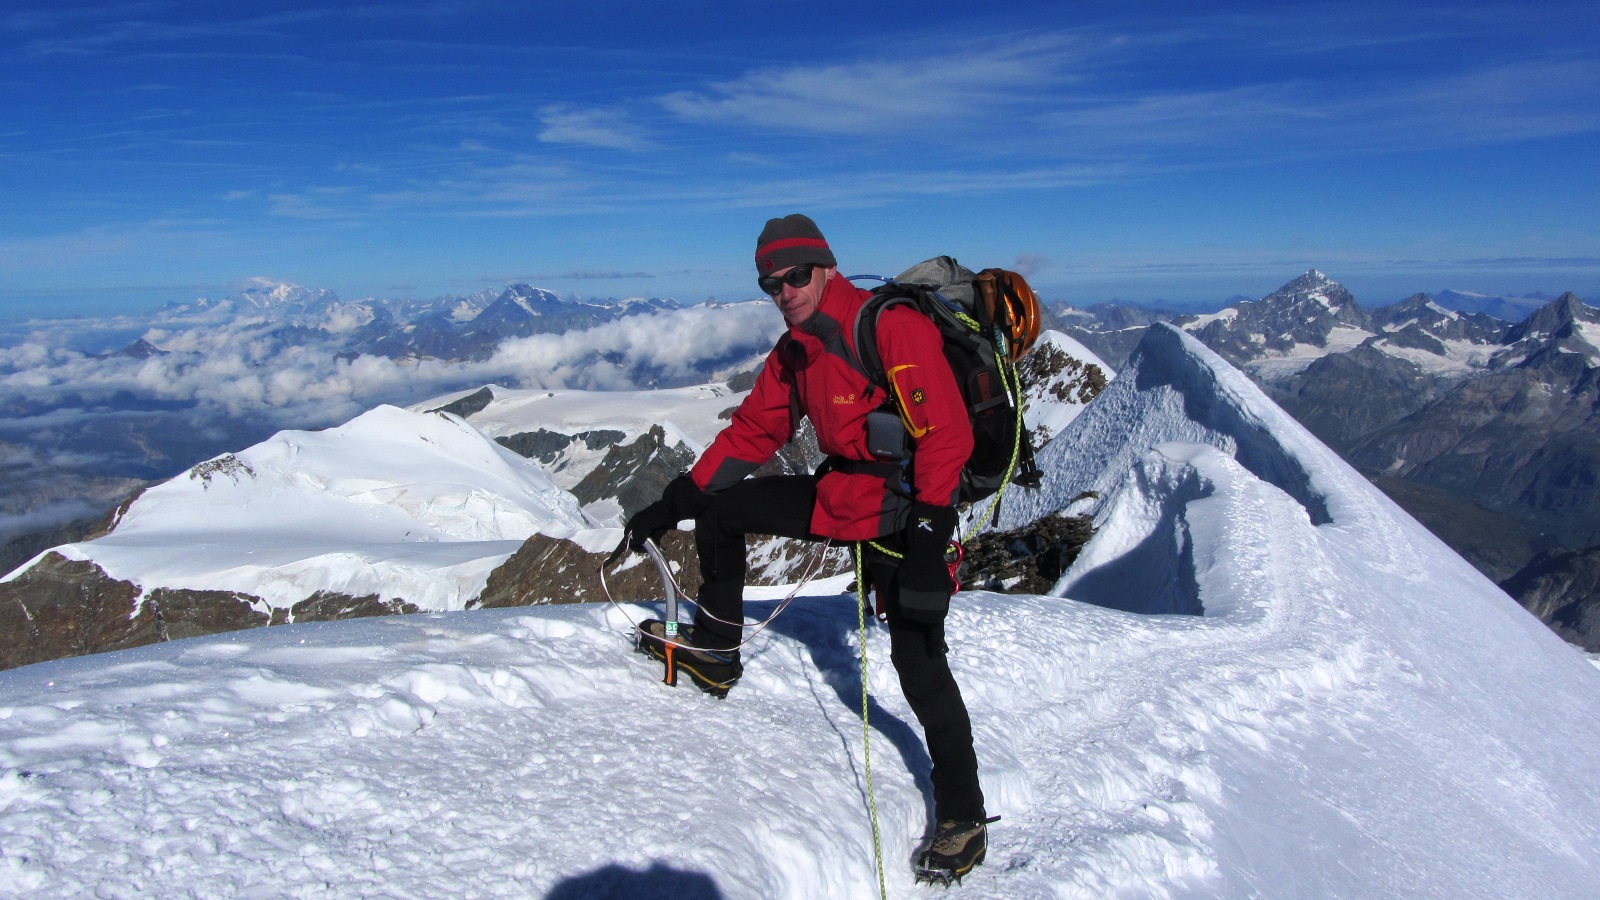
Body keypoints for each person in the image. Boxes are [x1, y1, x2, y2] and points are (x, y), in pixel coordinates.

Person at [621, 213, 991, 881]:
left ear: (825, 267)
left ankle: (963, 815)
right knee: (724, 511)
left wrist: (932, 548)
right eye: (771, 282)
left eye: (795, 275)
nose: (785, 290)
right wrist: (674, 503)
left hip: (909, 514)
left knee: (918, 661)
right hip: (843, 499)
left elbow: (947, 437)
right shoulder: (795, 351)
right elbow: (750, 435)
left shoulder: (886, 328)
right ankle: (717, 649)